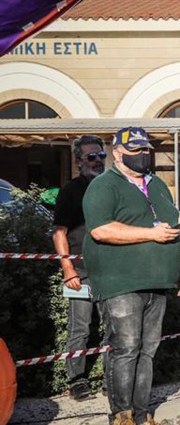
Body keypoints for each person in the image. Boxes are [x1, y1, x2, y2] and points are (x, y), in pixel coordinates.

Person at [83, 126, 180, 425]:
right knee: (126, 348)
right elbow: (101, 229)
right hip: (121, 282)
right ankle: (121, 416)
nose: (142, 155)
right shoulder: (103, 186)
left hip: (158, 281)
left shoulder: (156, 185)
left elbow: (169, 226)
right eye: (135, 150)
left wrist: (177, 268)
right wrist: (151, 234)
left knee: (148, 350)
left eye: (145, 149)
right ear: (117, 152)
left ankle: (143, 415)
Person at [52, 134, 107, 401]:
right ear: (78, 161)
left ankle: (112, 378)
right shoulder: (70, 191)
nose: (98, 161)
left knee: (114, 325)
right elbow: (59, 233)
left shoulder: (111, 186)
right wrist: (68, 270)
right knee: (80, 328)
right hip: (81, 271)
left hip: (110, 270)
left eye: (101, 156)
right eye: (91, 157)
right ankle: (77, 381)